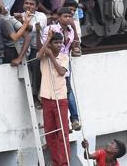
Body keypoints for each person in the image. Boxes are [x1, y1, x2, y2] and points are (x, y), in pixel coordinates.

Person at [39, 31, 71, 166]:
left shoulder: (64, 57)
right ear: (50, 44)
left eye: (60, 42)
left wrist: (52, 56)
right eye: (55, 42)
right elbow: (39, 54)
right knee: (50, 133)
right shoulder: (44, 56)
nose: (59, 45)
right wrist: (48, 38)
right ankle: (56, 161)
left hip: (60, 98)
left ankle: (64, 163)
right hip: (47, 97)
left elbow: (61, 72)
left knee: (63, 134)